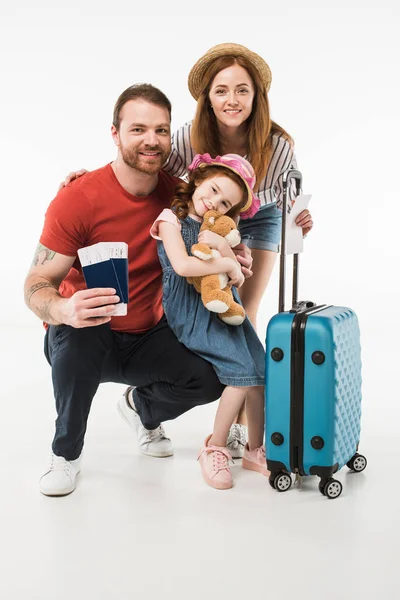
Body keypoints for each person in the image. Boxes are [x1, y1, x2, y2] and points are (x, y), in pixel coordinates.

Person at [58, 43, 314, 458]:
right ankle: (221, 423)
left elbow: (289, 195)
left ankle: (243, 432)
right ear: (208, 97)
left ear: (256, 96)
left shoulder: (277, 143)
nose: (232, 100)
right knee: (217, 308)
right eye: (221, 90)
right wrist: (95, 178)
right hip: (206, 214)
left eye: (242, 90)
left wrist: (299, 217)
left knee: (245, 315)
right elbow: (147, 159)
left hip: (259, 213)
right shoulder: (190, 136)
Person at [23, 83, 227, 497]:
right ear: (115, 134)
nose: (151, 140)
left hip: (147, 334)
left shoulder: (179, 196)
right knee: (84, 334)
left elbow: (226, 215)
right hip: (84, 331)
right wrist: (64, 309)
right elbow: (34, 284)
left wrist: (232, 256)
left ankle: (141, 408)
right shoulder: (78, 198)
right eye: (138, 129)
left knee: (212, 376)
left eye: (161, 130)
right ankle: (65, 455)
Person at [150, 152, 267, 490]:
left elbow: (238, 280)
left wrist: (224, 251)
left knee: (259, 372)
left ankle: (254, 449)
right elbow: (184, 267)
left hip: (225, 304)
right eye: (213, 189)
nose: (214, 201)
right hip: (190, 310)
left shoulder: (215, 228)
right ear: (199, 179)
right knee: (240, 377)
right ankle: (214, 446)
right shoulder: (170, 219)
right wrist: (227, 266)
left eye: (225, 202)